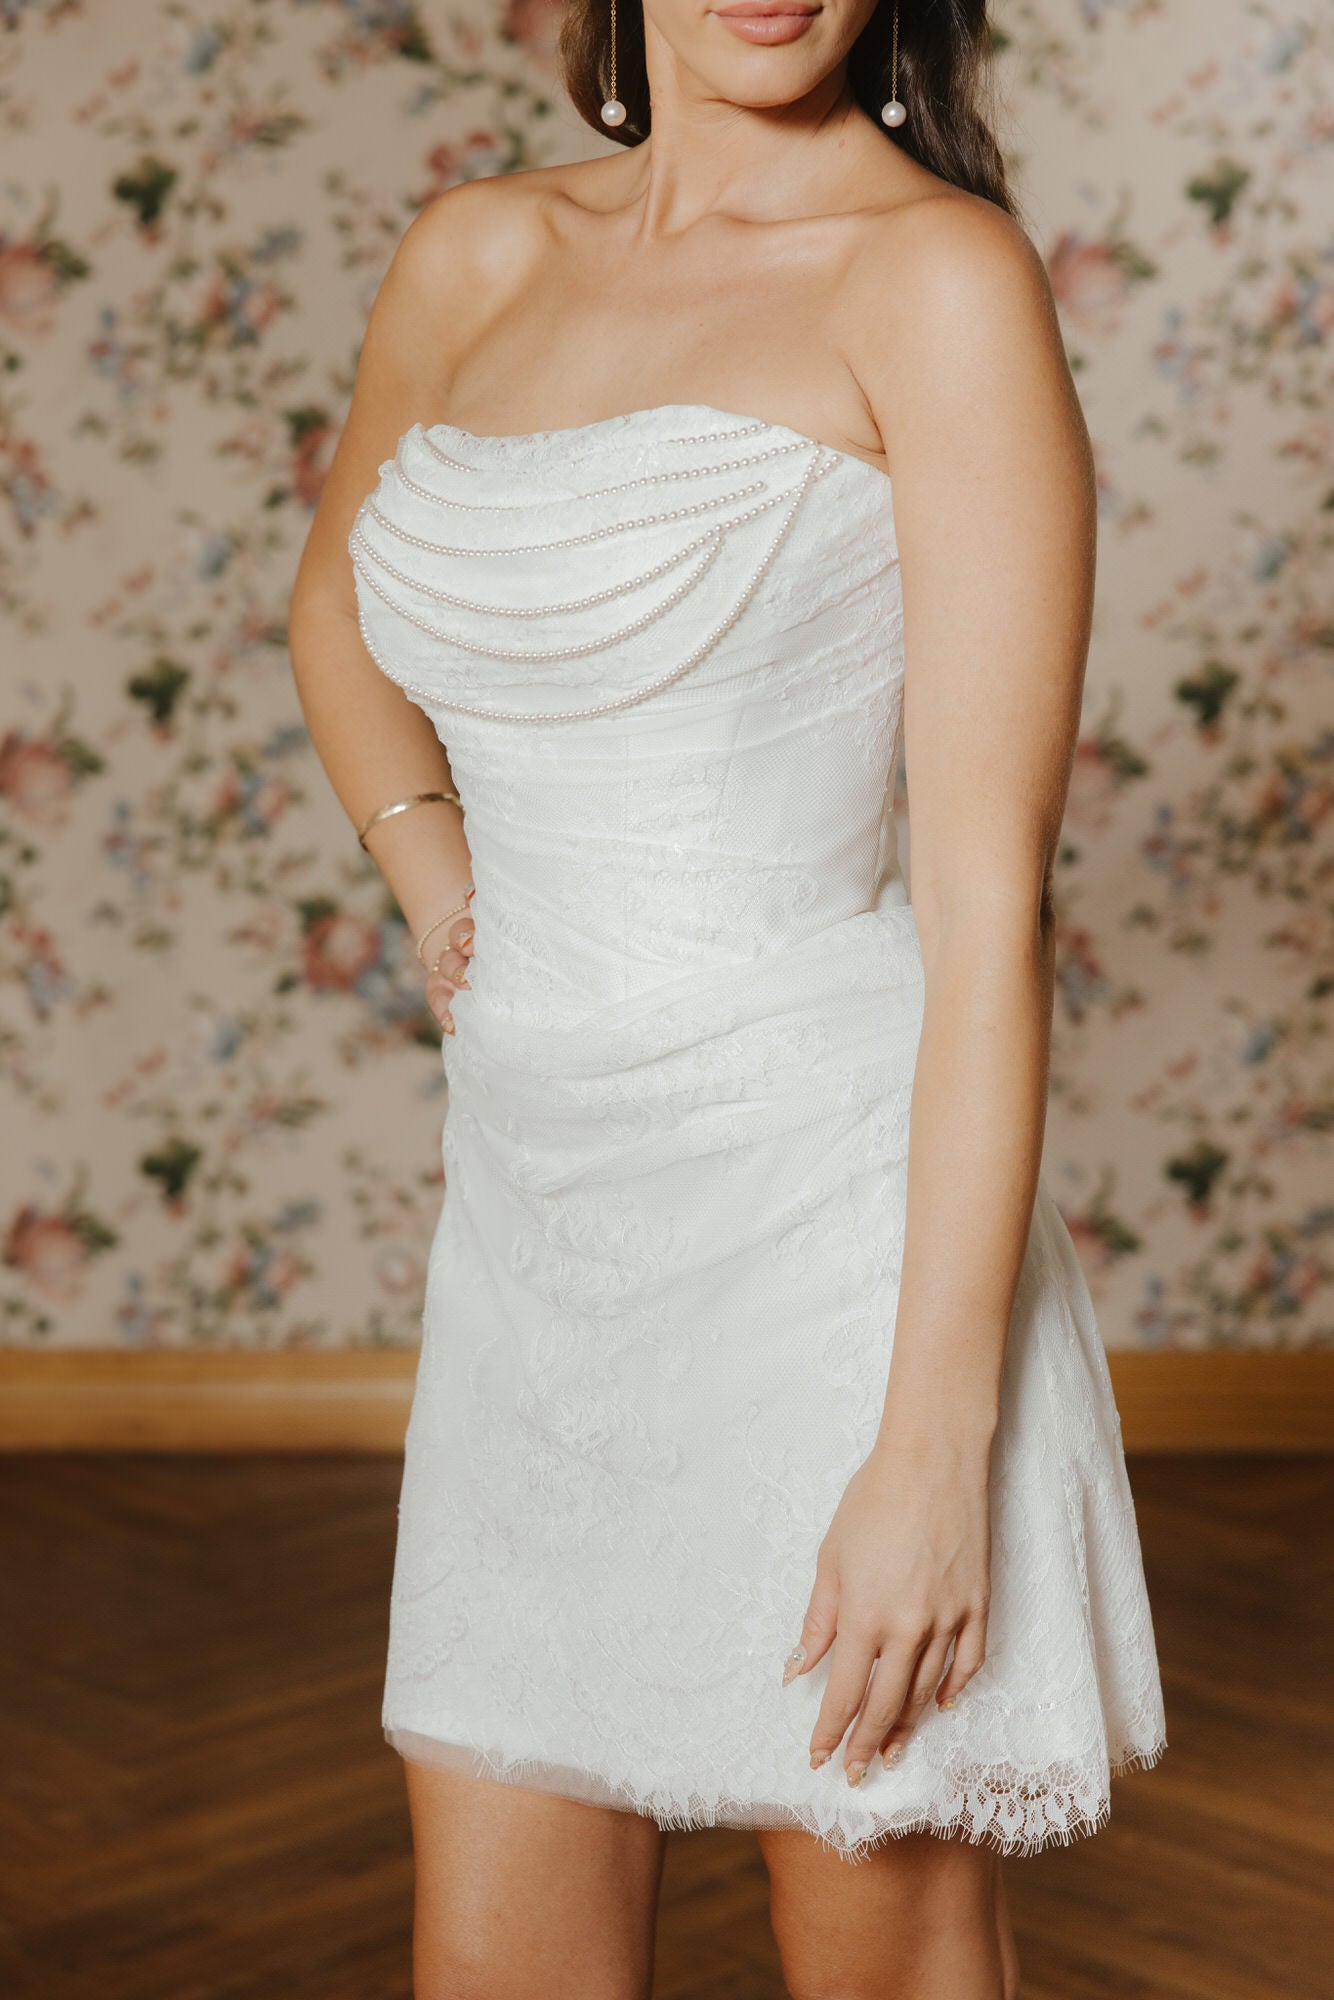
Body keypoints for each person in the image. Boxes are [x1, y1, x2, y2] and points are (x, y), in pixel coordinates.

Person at [289, 0, 1166, 1992]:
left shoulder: (933, 276)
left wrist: (931, 1451)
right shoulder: (477, 254)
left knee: (878, 1940)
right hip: (533, 1235)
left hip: (836, 1241)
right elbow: (334, 608)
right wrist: (444, 884)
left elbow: (982, 906)